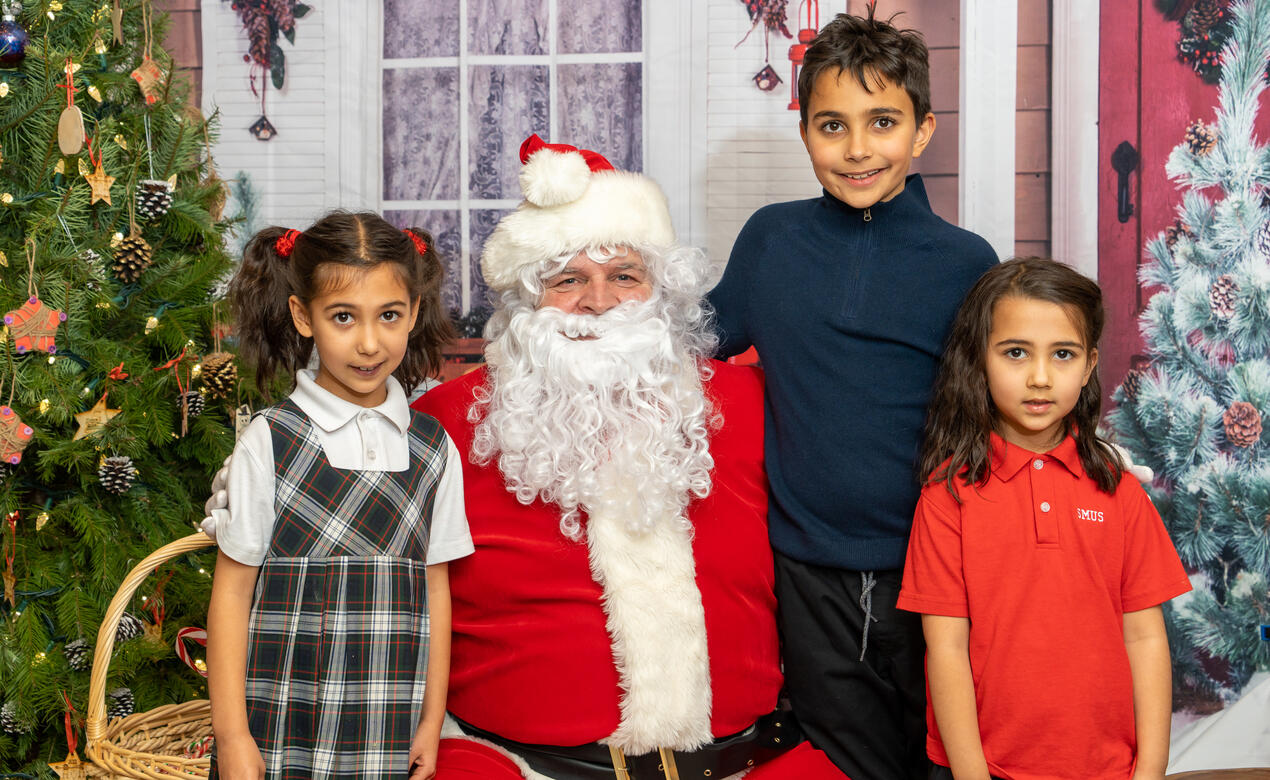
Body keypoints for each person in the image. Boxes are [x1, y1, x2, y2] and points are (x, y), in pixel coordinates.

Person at [412, 135, 847, 779]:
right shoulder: (448, 419)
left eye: (624, 276)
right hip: (518, 766)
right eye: (568, 280)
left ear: (660, 290)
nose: (598, 301)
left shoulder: (747, 401)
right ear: (527, 299)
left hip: (744, 763)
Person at [706, 8, 998, 779]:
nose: (859, 148)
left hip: (937, 570)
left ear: (923, 130)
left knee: (946, 755)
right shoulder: (771, 239)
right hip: (808, 574)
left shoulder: (965, 261)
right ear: (802, 129)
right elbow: (689, 343)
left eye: (883, 122)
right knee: (841, 761)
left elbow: (998, 406)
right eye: (833, 125)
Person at [897, 258, 1191, 780]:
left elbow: (1145, 639)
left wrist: (1151, 770)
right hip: (986, 769)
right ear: (981, 360)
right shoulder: (947, 497)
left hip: (1110, 769)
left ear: (1089, 364)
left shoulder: (1119, 491)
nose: (1039, 377)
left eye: (1062, 354)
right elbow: (946, 649)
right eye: (1015, 353)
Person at [204, 211, 474, 780]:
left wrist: (432, 719)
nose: (369, 343)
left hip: (389, 728)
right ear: (303, 316)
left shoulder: (432, 448)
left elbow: (435, 590)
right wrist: (231, 738)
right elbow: (231, 594)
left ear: (414, 314)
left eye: (389, 316)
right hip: (281, 727)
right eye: (344, 317)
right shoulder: (271, 441)